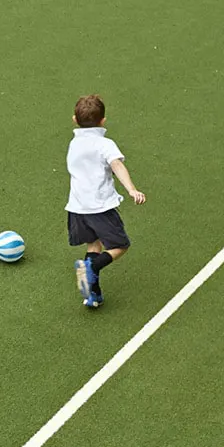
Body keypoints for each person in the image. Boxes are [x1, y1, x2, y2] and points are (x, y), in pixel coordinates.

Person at [66, 94, 145, 310]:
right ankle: (92, 266)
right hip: (99, 207)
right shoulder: (104, 144)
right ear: (103, 121)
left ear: (75, 119)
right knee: (121, 245)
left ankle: (94, 295)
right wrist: (131, 189)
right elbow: (116, 165)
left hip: (77, 207)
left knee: (94, 244)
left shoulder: (75, 144)